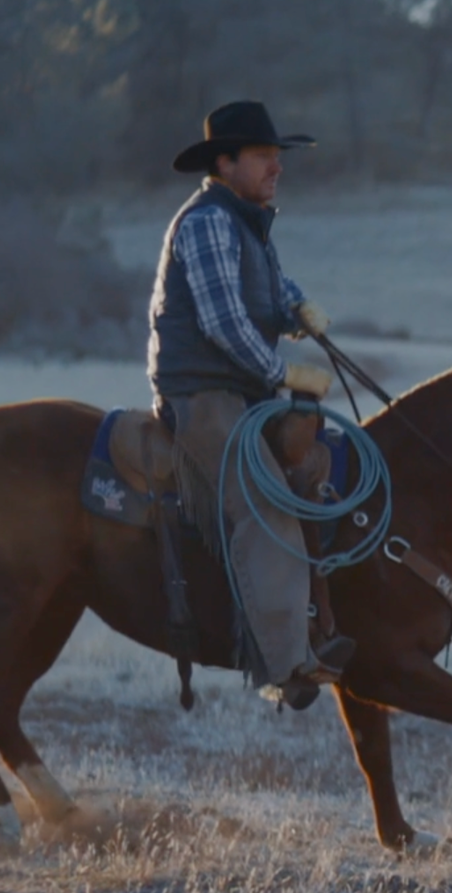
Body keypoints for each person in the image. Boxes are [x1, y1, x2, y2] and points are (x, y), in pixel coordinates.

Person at [148, 100, 350, 707]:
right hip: (202, 393)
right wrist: (280, 369)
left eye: (276, 157)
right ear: (226, 162)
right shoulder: (209, 221)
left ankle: (324, 620)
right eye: (263, 156)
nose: (276, 167)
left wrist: (299, 311)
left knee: (323, 465)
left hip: (240, 389)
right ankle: (288, 665)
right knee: (265, 501)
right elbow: (223, 322)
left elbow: (268, 289)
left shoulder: (250, 222)